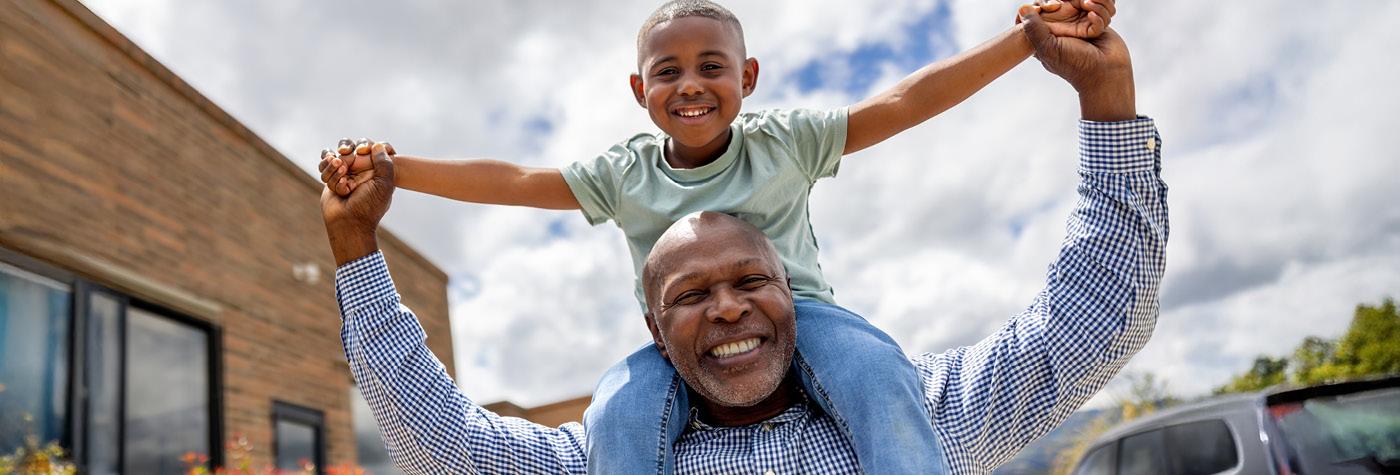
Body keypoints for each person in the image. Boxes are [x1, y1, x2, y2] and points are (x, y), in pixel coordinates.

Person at [320, 4, 1165, 472]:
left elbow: (903, 102)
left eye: (749, 279)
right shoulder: (623, 177)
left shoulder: (916, 419)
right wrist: (394, 178)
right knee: (615, 400)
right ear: (639, 90)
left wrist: (1031, 47)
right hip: (647, 385)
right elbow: (511, 184)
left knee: (874, 368)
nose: (726, 307)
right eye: (689, 292)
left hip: (825, 322)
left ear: (747, 78)